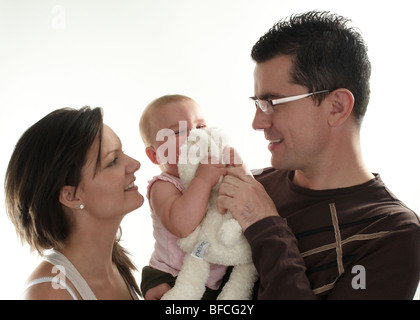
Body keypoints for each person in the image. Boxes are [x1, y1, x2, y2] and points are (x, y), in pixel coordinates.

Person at [217, 11, 420, 299]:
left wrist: (265, 227)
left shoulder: (391, 231)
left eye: (272, 102)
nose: (258, 122)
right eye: (258, 103)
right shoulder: (251, 187)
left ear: (336, 106)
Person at [5, 106, 144, 300]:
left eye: (123, 153)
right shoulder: (51, 293)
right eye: (113, 161)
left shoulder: (115, 267)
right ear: (71, 196)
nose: (135, 164)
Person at [138, 94, 230, 300]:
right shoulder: (163, 186)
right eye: (178, 131)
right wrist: (203, 181)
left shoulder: (214, 173)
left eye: (200, 127)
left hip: (215, 276)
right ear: (155, 155)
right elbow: (182, 224)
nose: (194, 136)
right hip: (172, 277)